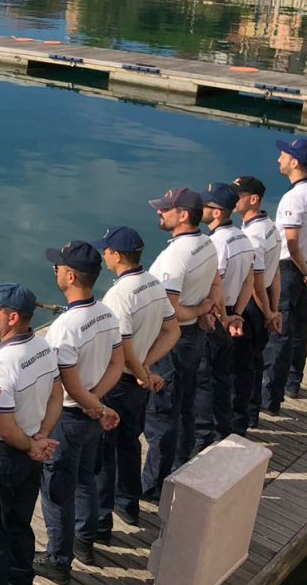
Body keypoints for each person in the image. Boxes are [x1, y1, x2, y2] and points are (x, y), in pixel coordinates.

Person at [36, 242, 123, 585]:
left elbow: (68, 386)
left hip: (70, 418)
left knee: (57, 491)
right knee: (85, 477)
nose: (55, 271)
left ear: (70, 276)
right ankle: (85, 540)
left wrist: (93, 405)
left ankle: (58, 561)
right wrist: (98, 403)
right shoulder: (106, 313)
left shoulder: (65, 327)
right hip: (91, 414)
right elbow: (117, 363)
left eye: (57, 267)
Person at [0, 283, 62, 585]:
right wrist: (42, 436)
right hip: (30, 451)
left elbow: (5, 427)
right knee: (20, 525)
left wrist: (30, 444)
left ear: (12, 318)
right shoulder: (42, 346)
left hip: (4, 456)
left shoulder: (0, 365)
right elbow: (57, 394)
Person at [94, 226, 179, 536]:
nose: (103, 255)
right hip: (136, 384)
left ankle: (100, 521)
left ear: (117, 256)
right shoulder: (153, 282)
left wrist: (141, 371)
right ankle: (128, 505)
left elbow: (123, 346)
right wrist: (145, 365)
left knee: (104, 452)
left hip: (118, 383)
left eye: (106, 250)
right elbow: (173, 330)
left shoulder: (120, 294)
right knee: (130, 444)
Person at [141, 187, 222, 502]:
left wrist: (201, 310)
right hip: (193, 339)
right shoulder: (207, 243)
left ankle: (153, 486)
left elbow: (170, 310)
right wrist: (208, 309)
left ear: (183, 215)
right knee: (186, 407)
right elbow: (216, 283)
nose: (159, 212)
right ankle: (180, 467)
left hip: (171, 342)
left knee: (162, 415)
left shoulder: (175, 255)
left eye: (165, 209)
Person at [263, 138, 307, 414]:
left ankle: (269, 398)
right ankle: (293, 382)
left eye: (284, 155)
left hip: (289, 270)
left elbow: (292, 243)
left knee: (279, 332)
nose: (279, 159)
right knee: (300, 331)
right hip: (304, 268)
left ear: (295, 162)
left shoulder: (293, 198)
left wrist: (304, 271)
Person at [197, 183, 255, 451]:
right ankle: (225, 430)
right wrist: (238, 314)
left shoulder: (216, 243)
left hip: (214, 318)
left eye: (205, 206)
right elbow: (249, 281)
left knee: (204, 382)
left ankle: (204, 440)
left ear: (217, 212)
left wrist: (222, 319)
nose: (200, 209)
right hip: (231, 313)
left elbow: (215, 287)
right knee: (222, 379)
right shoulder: (243, 237)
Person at [233, 176, 283, 433]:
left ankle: (241, 419)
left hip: (253, 306)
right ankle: (251, 412)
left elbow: (256, 282)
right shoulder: (270, 227)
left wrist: (267, 312)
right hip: (264, 302)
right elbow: (276, 272)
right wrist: (274, 308)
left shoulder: (252, 235)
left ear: (254, 199)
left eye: (238, 195)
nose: (233, 199)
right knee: (254, 361)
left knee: (242, 365)